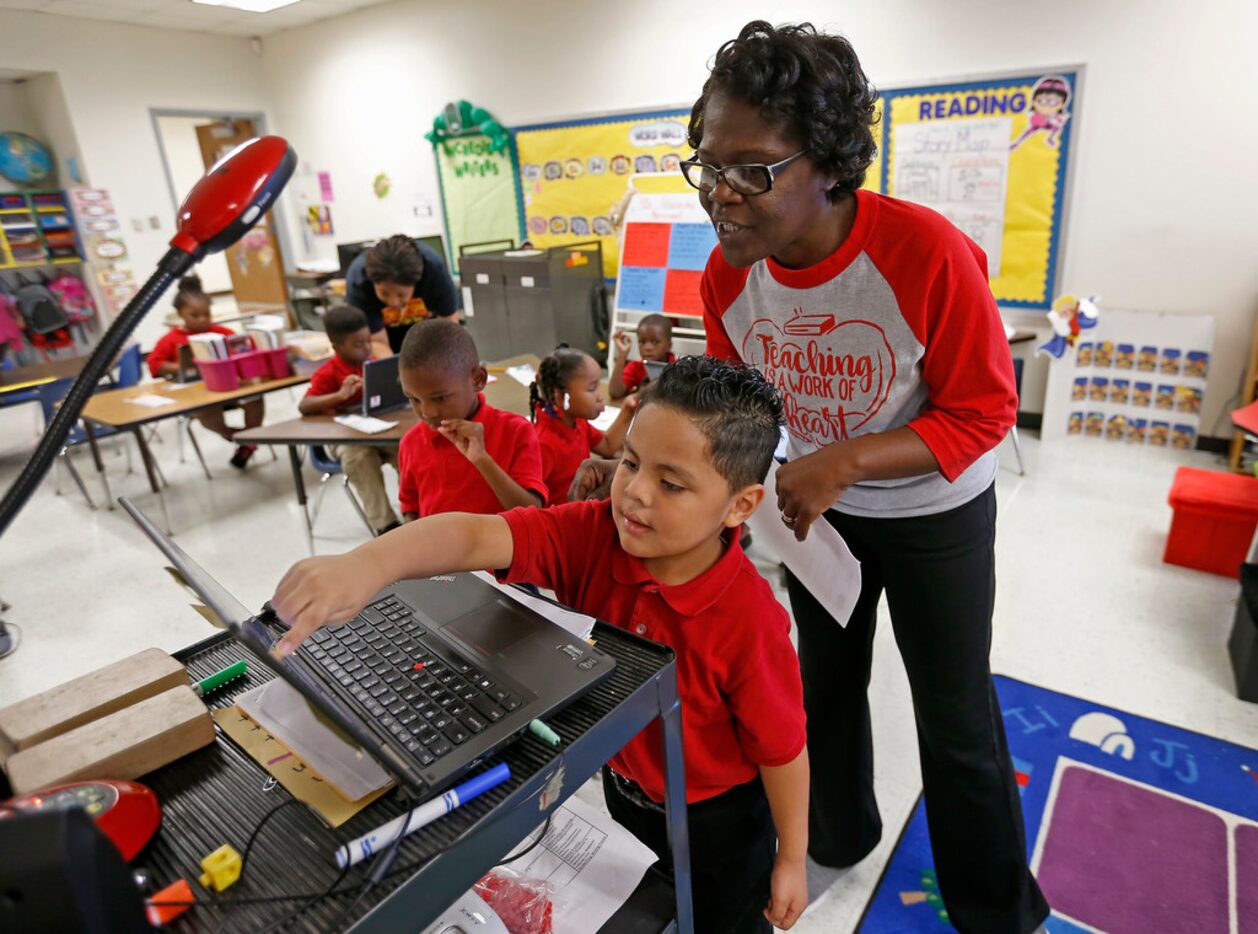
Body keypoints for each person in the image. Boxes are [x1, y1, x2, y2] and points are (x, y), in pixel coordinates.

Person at [686, 21, 1049, 933]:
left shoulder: (925, 253)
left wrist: (842, 459)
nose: (721, 196)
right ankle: (839, 835)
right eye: (707, 166)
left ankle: (995, 908)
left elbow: (982, 414)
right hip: (818, 519)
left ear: (831, 164)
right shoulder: (727, 280)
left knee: (955, 713)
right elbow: (747, 405)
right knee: (825, 689)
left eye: (752, 171)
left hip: (934, 513)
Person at [270, 357, 810, 932]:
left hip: (719, 821)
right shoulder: (593, 533)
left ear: (740, 505)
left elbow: (783, 750)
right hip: (625, 793)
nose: (635, 494)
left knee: (725, 921)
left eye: (671, 483)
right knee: (654, 913)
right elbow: (478, 532)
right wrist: (371, 563)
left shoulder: (749, 621)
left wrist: (793, 859)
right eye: (629, 462)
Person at [396, 319, 546, 519]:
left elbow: (532, 513)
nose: (427, 412)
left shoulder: (517, 431)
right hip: (439, 549)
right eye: (413, 399)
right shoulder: (410, 443)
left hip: (501, 549)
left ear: (477, 379)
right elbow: (410, 507)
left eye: (440, 398)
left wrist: (482, 459)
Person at [299, 304, 401, 534]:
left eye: (368, 341)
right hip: (344, 437)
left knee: (407, 450)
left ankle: (416, 510)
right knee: (359, 457)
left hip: (378, 430)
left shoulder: (373, 363)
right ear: (336, 347)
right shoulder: (328, 372)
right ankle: (386, 525)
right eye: (358, 344)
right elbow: (304, 406)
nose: (366, 348)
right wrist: (339, 396)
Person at [147, 275, 263, 469]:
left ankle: (248, 444)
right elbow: (154, 365)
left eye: (206, 314)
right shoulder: (170, 340)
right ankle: (235, 435)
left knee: (255, 399)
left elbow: (246, 350)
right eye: (195, 315)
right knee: (208, 414)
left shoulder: (223, 333)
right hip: (198, 397)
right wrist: (186, 367)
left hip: (228, 388)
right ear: (180, 314)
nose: (202, 320)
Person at [528, 345, 636, 507]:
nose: (600, 396)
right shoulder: (544, 444)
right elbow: (529, 503)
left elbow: (607, 446)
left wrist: (628, 410)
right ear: (560, 395)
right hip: (562, 522)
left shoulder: (577, 422)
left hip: (581, 508)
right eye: (592, 388)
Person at [343, 235, 460, 357]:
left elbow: (449, 322)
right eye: (384, 293)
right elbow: (377, 340)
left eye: (401, 294)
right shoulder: (359, 280)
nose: (393, 303)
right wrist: (396, 372)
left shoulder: (433, 269)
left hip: (427, 332)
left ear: (416, 283)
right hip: (387, 336)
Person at [609, 314, 677, 400]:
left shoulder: (678, 369)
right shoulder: (636, 367)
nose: (647, 348)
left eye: (655, 342)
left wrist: (640, 394)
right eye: (642, 342)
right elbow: (615, 392)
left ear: (669, 345)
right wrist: (622, 355)